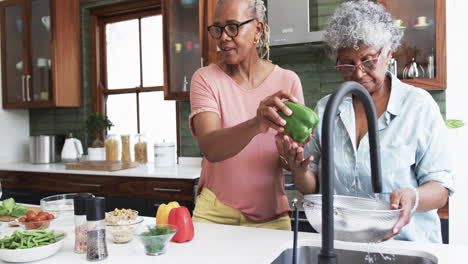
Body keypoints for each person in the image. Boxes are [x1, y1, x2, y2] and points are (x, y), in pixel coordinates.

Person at [276, 0, 455, 243]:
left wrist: (413, 196)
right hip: (343, 246)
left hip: (406, 247)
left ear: (388, 52)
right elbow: (314, 187)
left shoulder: (418, 108)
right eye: (347, 63)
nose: (358, 73)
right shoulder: (328, 109)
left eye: (368, 60)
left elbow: (440, 189)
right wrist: (299, 170)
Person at [189, 0, 304, 230]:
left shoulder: (287, 81)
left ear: (258, 30)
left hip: (272, 216)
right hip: (215, 214)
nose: (223, 37)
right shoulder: (205, 79)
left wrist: (290, 157)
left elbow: (289, 161)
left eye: (233, 26)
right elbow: (211, 147)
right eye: (218, 29)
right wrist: (256, 123)